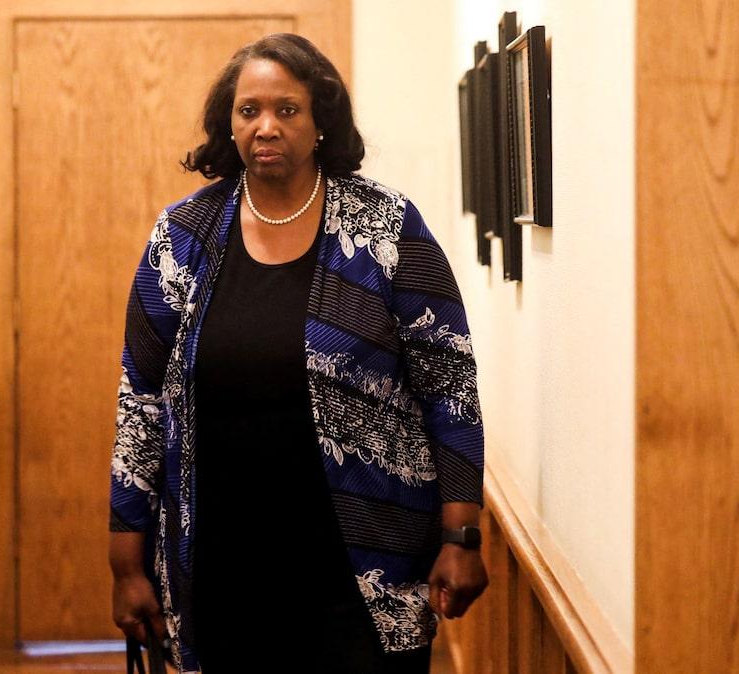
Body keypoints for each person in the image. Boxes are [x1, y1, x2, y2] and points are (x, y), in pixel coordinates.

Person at [109, 33, 487, 674]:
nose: (266, 126)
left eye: (287, 109)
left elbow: (450, 388)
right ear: (229, 124)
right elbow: (140, 403)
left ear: (320, 122)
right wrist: (126, 565)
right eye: (249, 110)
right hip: (221, 569)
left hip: (367, 569)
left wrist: (462, 536)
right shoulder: (182, 237)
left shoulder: (387, 228)